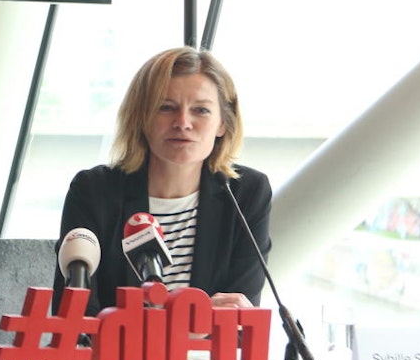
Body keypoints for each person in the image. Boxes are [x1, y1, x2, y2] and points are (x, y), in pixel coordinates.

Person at [52, 46, 272, 318]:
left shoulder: (246, 194)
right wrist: (193, 322)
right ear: (141, 117)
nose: (183, 122)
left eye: (201, 110)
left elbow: (239, 313)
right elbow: (74, 315)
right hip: (114, 348)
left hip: (203, 350)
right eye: (166, 107)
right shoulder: (94, 190)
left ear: (223, 124)